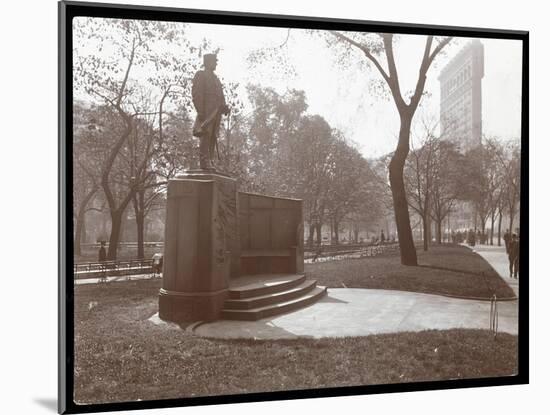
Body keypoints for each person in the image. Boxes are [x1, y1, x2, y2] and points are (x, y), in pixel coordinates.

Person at [191, 53, 230, 170]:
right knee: (206, 135)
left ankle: (210, 160)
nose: (216, 63)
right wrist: (200, 110)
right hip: (207, 111)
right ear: (208, 62)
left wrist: (224, 107)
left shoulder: (216, 80)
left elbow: (220, 96)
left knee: (213, 136)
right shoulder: (201, 75)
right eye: (214, 61)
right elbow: (197, 93)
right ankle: (204, 162)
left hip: (216, 111)